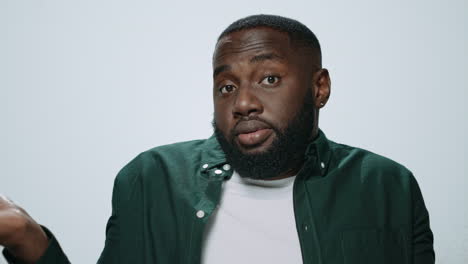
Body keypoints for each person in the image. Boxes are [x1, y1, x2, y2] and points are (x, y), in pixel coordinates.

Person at [0, 14, 434, 264]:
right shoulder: (151, 180)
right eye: (226, 86)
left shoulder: (386, 186)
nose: (243, 103)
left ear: (319, 88)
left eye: (268, 78)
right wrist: (27, 241)